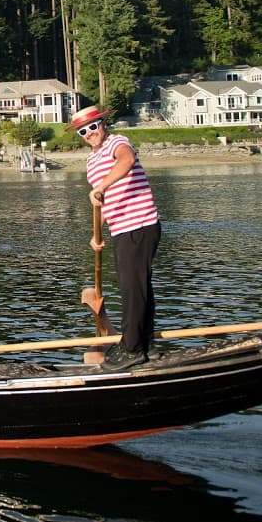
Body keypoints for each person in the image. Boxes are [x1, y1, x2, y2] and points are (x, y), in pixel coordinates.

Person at [68, 104, 161, 371]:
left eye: (92, 126)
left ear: (103, 124)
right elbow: (103, 201)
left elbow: (126, 161)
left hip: (140, 224)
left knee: (132, 287)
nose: (89, 133)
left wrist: (101, 186)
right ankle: (146, 345)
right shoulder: (91, 160)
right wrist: (96, 232)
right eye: (82, 131)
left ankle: (131, 349)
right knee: (138, 287)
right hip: (120, 228)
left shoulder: (117, 143)